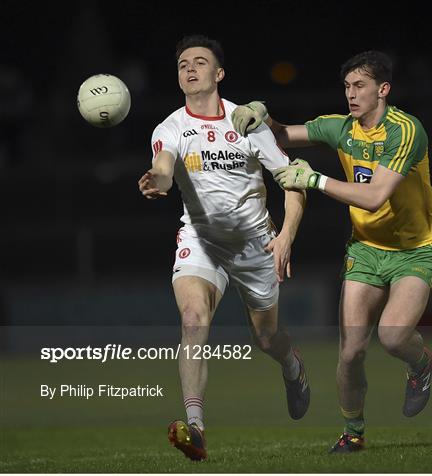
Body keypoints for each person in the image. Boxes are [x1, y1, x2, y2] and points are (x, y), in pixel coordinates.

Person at [232, 50, 432, 454]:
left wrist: (314, 179)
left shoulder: (405, 130)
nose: (351, 93)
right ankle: (353, 433)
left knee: (394, 337)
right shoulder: (341, 128)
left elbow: (375, 197)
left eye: (360, 85)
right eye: (347, 86)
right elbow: (282, 135)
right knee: (350, 351)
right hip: (365, 250)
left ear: (383, 89)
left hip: (415, 250)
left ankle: (421, 365)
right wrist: (263, 115)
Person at [138, 34, 310, 461]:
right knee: (193, 319)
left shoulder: (247, 122)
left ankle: (292, 367)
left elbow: (293, 182)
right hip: (201, 239)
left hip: (256, 243)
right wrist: (157, 183)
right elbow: (162, 168)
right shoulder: (170, 127)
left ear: (219, 73)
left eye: (200, 61)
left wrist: (286, 235)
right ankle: (195, 428)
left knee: (267, 338)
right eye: (182, 64)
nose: (190, 68)